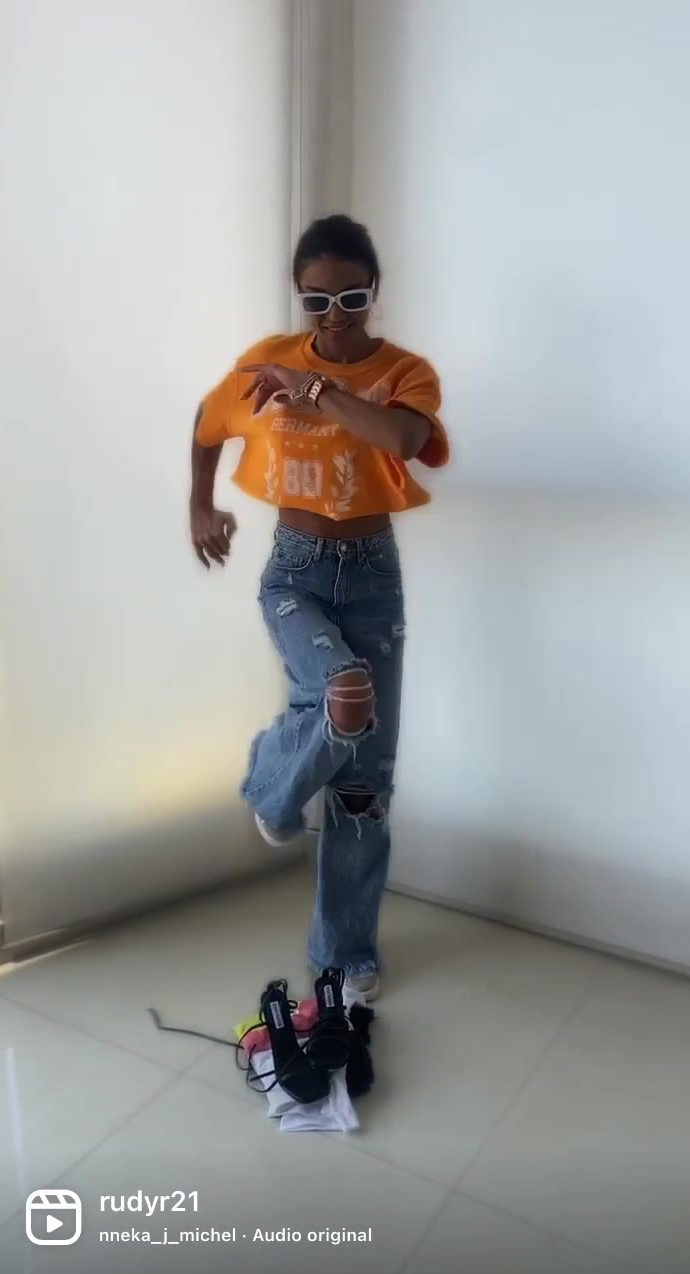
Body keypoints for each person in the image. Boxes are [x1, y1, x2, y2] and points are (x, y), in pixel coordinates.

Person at [190, 214, 448, 1000]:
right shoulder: (266, 360)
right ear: (298, 296)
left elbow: (399, 440)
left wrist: (313, 389)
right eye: (316, 299)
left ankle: (344, 953)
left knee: (364, 785)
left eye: (350, 297)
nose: (333, 314)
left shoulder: (404, 372)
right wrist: (200, 506)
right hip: (295, 571)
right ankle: (273, 784)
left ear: (375, 292)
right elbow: (208, 423)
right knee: (343, 693)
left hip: (372, 575)